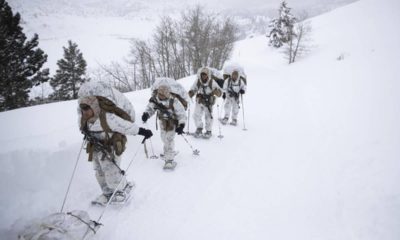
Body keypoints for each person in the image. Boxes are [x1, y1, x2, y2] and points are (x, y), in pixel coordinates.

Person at [78, 82, 153, 205]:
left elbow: (125, 126)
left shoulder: (107, 117)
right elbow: (82, 128)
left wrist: (142, 131)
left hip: (110, 147)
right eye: (82, 109)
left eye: (87, 108)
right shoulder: (83, 119)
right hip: (96, 148)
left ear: (94, 106)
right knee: (99, 171)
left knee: (111, 171)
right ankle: (107, 192)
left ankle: (120, 191)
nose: (84, 112)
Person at [142, 84, 187, 170]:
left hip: (172, 122)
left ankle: (169, 160)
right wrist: (146, 114)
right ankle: (168, 152)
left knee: (169, 139)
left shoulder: (174, 101)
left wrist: (181, 125)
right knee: (163, 138)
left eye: (162, 94)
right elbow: (150, 108)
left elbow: (181, 113)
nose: (160, 96)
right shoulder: (155, 100)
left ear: (166, 94)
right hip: (162, 122)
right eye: (159, 94)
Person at [188, 67, 222, 138]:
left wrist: (216, 92)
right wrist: (191, 93)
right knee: (196, 115)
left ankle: (208, 131)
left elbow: (219, 92)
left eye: (205, 74)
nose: (203, 76)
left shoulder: (211, 82)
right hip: (200, 100)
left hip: (208, 101)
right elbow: (193, 89)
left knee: (208, 116)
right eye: (202, 74)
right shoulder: (198, 81)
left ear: (208, 75)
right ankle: (199, 128)